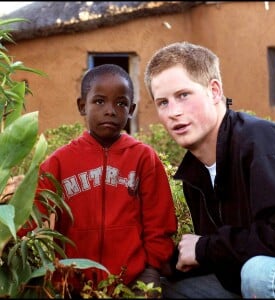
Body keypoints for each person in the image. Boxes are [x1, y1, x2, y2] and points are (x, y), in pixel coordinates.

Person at [144, 41, 275, 298]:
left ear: (214, 91)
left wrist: (205, 248)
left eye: (183, 95)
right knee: (166, 287)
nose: (173, 112)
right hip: (246, 279)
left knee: (260, 274)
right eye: (163, 103)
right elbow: (225, 254)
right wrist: (163, 263)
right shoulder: (195, 171)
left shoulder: (260, 142)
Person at [35, 64, 177, 293]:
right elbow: (32, 213)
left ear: (131, 109)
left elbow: (159, 223)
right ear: (82, 106)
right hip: (71, 282)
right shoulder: (59, 162)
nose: (110, 110)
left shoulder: (143, 158)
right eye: (99, 101)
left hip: (133, 281)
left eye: (120, 103)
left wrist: (152, 268)